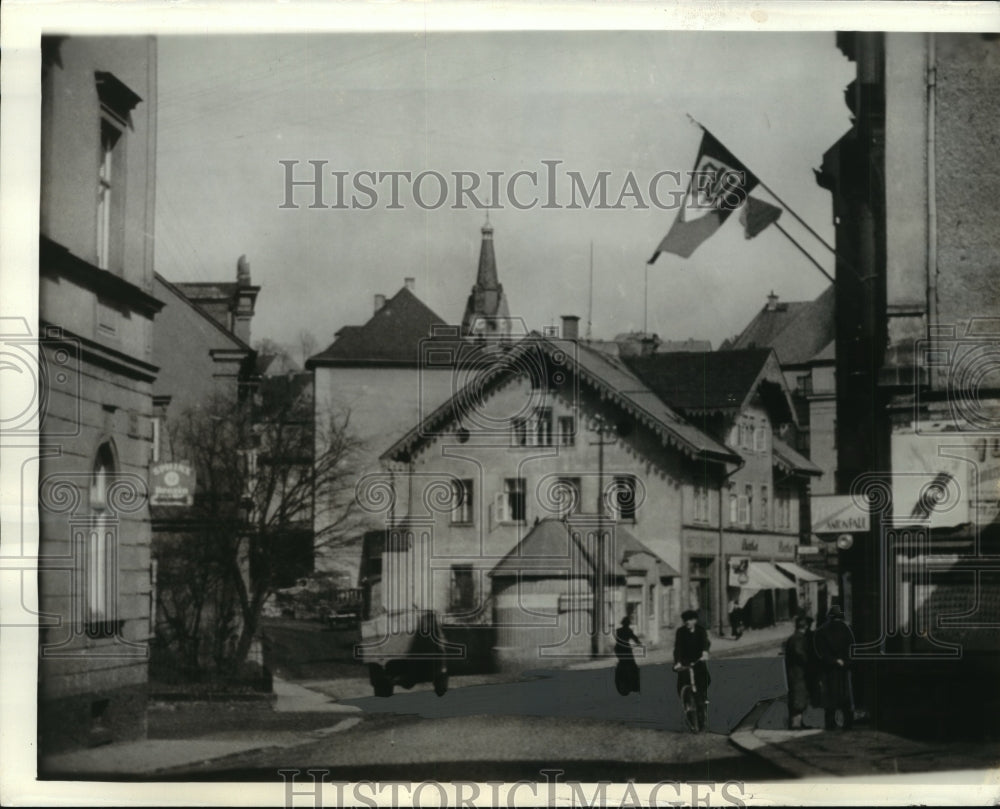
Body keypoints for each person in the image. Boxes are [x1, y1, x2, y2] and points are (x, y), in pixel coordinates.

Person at [812, 604, 855, 730]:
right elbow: (852, 648)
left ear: (830, 617)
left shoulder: (821, 631)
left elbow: (820, 652)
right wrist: (845, 662)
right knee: (845, 696)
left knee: (830, 696)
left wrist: (834, 660)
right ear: (840, 617)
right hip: (844, 669)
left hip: (829, 669)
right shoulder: (847, 629)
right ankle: (848, 724)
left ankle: (830, 724)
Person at [673, 609, 711, 727]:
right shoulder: (680, 632)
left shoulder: (701, 630)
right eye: (685, 620)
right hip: (685, 660)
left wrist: (705, 652)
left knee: (704, 679)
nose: (687, 622)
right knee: (682, 682)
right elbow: (678, 647)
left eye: (689, 620)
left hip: (698, 659)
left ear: (695, 620)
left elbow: (705, 642)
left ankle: (703, 697)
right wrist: (678, 662)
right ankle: (687, 702)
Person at [783, 615, 812, 729]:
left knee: (797, 695)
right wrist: (809, 662)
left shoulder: (793, 638)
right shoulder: (799, 638)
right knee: (798, 695)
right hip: (798, 673)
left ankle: (798, 722)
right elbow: (799, 654)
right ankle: (796, 723)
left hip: (794, 672)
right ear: (806, 626)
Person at [614, 615, 641, 694]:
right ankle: (635, 686)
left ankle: (620, 678)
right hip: (625, 650)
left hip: (618, 649)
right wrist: (638, 643)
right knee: (633, 666)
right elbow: (635, 638)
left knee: (622, 662)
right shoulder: (628, 630)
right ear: (627, 624)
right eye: (628, 623)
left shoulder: (618, 630)